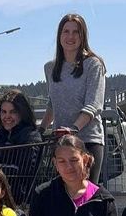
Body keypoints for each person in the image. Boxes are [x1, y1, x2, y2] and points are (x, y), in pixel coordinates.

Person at [41, 14, 107, 183]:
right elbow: (52, 103)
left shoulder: (93, 64)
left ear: (82, 36)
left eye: (75, 32)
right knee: (62, 198)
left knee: (86, 194)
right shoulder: (50, 68)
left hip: (88, 139)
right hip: (62, 144)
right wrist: (41, 129)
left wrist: (73, 128)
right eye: (66, 31)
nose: (70, 37)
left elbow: (94, 104)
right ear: (59, 36)